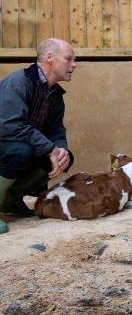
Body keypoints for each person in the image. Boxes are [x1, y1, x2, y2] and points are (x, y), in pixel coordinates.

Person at [0, 38, 77, 233]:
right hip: (6, 144)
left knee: (63, 158)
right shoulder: (19, 82)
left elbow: (56, 130)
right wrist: (49, 148)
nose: (74, 65)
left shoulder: (55, 95)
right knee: (21, 151)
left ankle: (11, 202)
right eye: (68, 59)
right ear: (50, 58)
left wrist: (60, 150)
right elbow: (10, 125)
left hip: (18, 145)